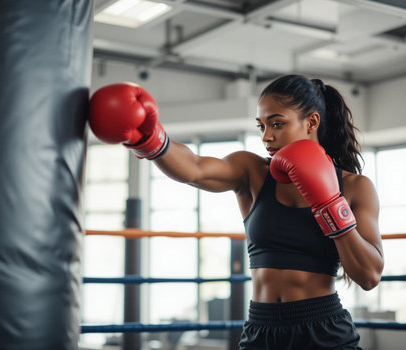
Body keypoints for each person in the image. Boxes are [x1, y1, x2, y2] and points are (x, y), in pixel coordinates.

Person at [89, 75, 384, 349]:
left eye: (277, 124)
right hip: (261, 329)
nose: (266, 136)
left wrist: (330, 205)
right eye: (261, 126)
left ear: (312, 122)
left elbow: (369, 276)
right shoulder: (253, 172)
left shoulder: (355, 187)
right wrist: (150, 138)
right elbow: (195, 168)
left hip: (324, 330)